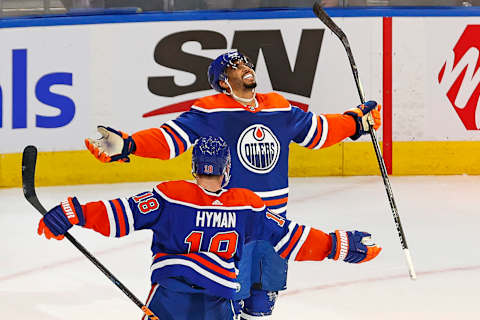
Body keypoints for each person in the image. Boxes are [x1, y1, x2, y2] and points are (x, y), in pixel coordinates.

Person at [84, 50, 381, 318]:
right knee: (228, 305)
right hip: (232, 226)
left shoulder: (278, 106)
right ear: (224, 82)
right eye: (235, 67)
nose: (245, 68)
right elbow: (169, 139)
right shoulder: (210, 111)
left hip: (273, 224)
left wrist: (355, 122)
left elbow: (317, 131)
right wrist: (129, 144)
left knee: (262, 304)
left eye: (245, 63)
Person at [38, 136, 382, 320]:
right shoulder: (246, 204)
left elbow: (118, 215)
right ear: (226, 169)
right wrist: (338, 245)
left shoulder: (170, 195)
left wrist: (72, 212)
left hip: (170, 299)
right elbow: (290, 237)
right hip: (218, 302)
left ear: (194, 166)